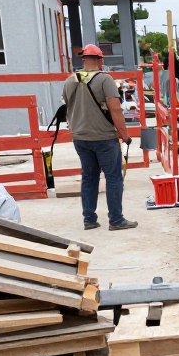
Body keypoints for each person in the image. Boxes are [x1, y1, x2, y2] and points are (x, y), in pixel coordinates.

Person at [62, 44, 137, 231]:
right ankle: (116, 220)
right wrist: (124, 134)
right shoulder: (105, 80)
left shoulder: (70, 80)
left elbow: (67, 107)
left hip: (80, 138)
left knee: (88, 177)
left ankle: (89, 219)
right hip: (103, 137)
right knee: (113, 178)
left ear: (83, 60)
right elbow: (116, 109)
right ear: (100, 60)